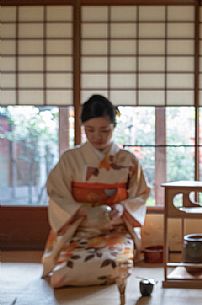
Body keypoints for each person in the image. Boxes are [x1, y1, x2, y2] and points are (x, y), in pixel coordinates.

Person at [42, 94, 151, 288]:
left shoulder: (128, 160)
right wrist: (81, 210)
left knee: (110, 265)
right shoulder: (70, 159)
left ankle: (116, 266)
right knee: (60, 277)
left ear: (114, 127)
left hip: (115, 230)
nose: (97, 136)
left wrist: (121, 207)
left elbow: (140, 194)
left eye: (104, 130)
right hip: (77, 230)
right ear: (83, 127)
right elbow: (56, 193)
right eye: (90, 130)